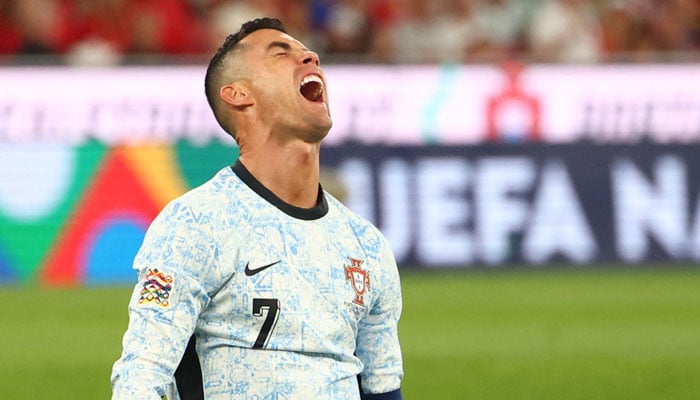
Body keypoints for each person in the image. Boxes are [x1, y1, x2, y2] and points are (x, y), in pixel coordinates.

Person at [110, 17, 404, 400]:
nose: (310, 57)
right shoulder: (197, 223)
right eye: (281, 53)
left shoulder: (367, 246)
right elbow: (140, 378)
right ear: (238, 94)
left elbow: (383, 390)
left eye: (307, 52)